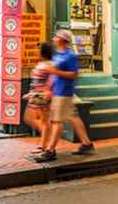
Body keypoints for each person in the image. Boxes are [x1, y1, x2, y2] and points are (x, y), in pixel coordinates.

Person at [34, 30, 94, 162]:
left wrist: (56, 72)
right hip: (58, 91)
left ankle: (50, 150)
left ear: (63, 40)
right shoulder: (57, 56)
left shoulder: (70, 56)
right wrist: (49, 89)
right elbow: (53, 75)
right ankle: (87, 143)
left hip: (64, 92)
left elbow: (74, 74)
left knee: (56, 121)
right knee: (73, 117)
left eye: (57, 37)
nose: (54, 39)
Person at [23, 42, 55, 153]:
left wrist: (48, 92)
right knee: (31, 118)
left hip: (42, 97)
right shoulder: (43, 64)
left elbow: (53, 79)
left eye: (39, 50)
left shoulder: (50, 65)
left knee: (44, 122)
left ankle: (45, 144)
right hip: (36, 96)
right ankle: (47, 140)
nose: (37, 52)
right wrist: (31, 93)